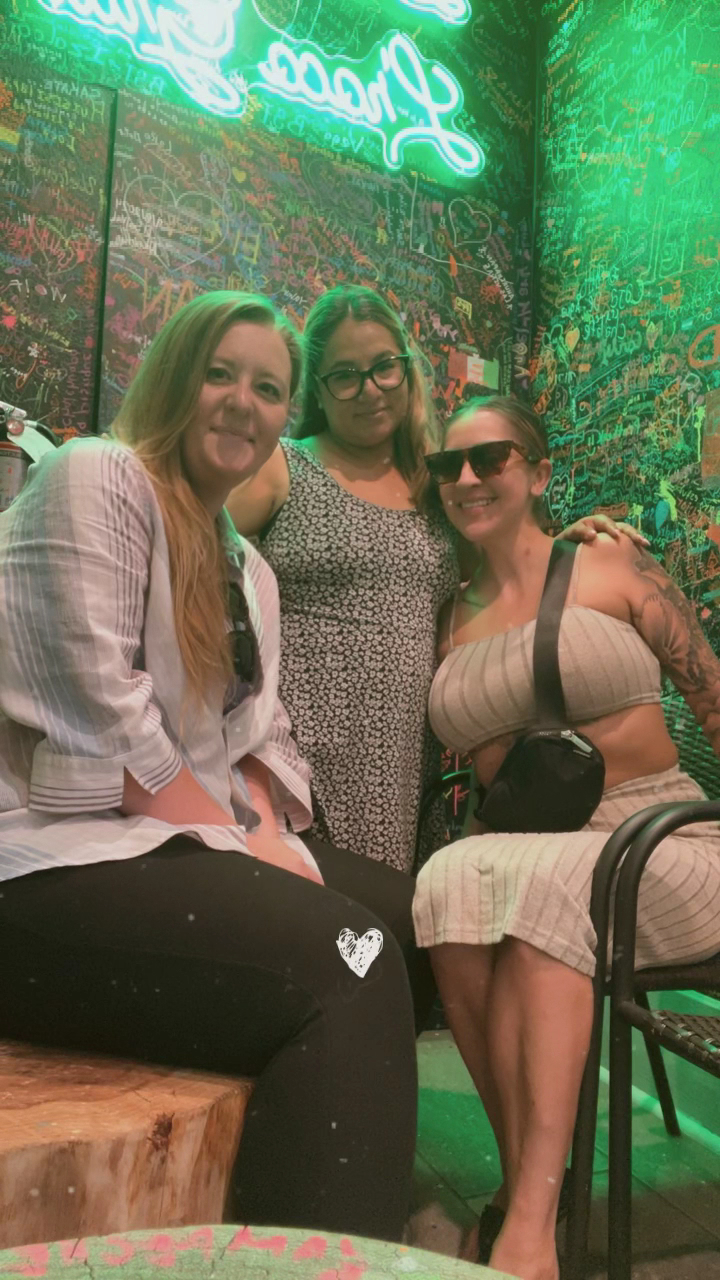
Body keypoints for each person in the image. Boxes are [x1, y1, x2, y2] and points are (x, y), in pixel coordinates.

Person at [0, 292, 420, 1242]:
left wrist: (266, 840)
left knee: (407, 917)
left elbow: (259, 742)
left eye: (268, 388)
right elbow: (106, 726)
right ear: (172, 378)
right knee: (351, 966)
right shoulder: (97, 475)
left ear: (284, 417)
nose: (242, 402)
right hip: (48, 862)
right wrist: (240, 849)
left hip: (163, 847)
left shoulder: (247, 568)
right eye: (219, 374)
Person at [412, 395, 720, 1280]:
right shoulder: (448, 613)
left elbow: (711, 695)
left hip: (660, 840)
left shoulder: (609, 563)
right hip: (535, 849)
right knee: (443, 882)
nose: (468, 478)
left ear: (539, 472)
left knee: (541, 890)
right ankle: (530, 1186)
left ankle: (528, 1234)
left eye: (492, 458)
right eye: (449, 465)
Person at [228, 284, 645, 873]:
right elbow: (196, 554)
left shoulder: (438, 484)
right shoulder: (283, 465)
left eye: (384, 367)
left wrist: (560, 548)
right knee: (306, 905)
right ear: (316, 389)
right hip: (295, 746)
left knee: (388, 911)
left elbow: (499, 576)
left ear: (406, 368)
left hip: (402, 757)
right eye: (344, 375)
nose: (369, 389)